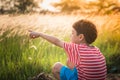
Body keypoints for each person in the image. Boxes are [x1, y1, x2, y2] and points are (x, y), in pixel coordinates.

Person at [29, 19, 107, 80]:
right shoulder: (96, 50)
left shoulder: (76, 48)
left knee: (56, 67)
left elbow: (56, 41)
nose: (70, 35)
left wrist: (40, 34)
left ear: (80, 37)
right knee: (70, 62)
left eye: (72, 33)